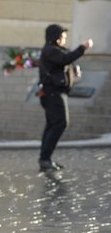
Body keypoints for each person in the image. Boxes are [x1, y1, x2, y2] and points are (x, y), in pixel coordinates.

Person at [38, 24, 92, 171]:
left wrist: (74, 74)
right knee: (60, 123)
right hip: (53, 93)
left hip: (54, 92)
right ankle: (45, 158)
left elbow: (61, 66)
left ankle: (45, 158)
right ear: (56, 37)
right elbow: (64, 59)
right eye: (63, 37)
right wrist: (82, 48)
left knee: (52, 125)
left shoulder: (53, 50)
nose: (64, 39)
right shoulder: (50, 50)